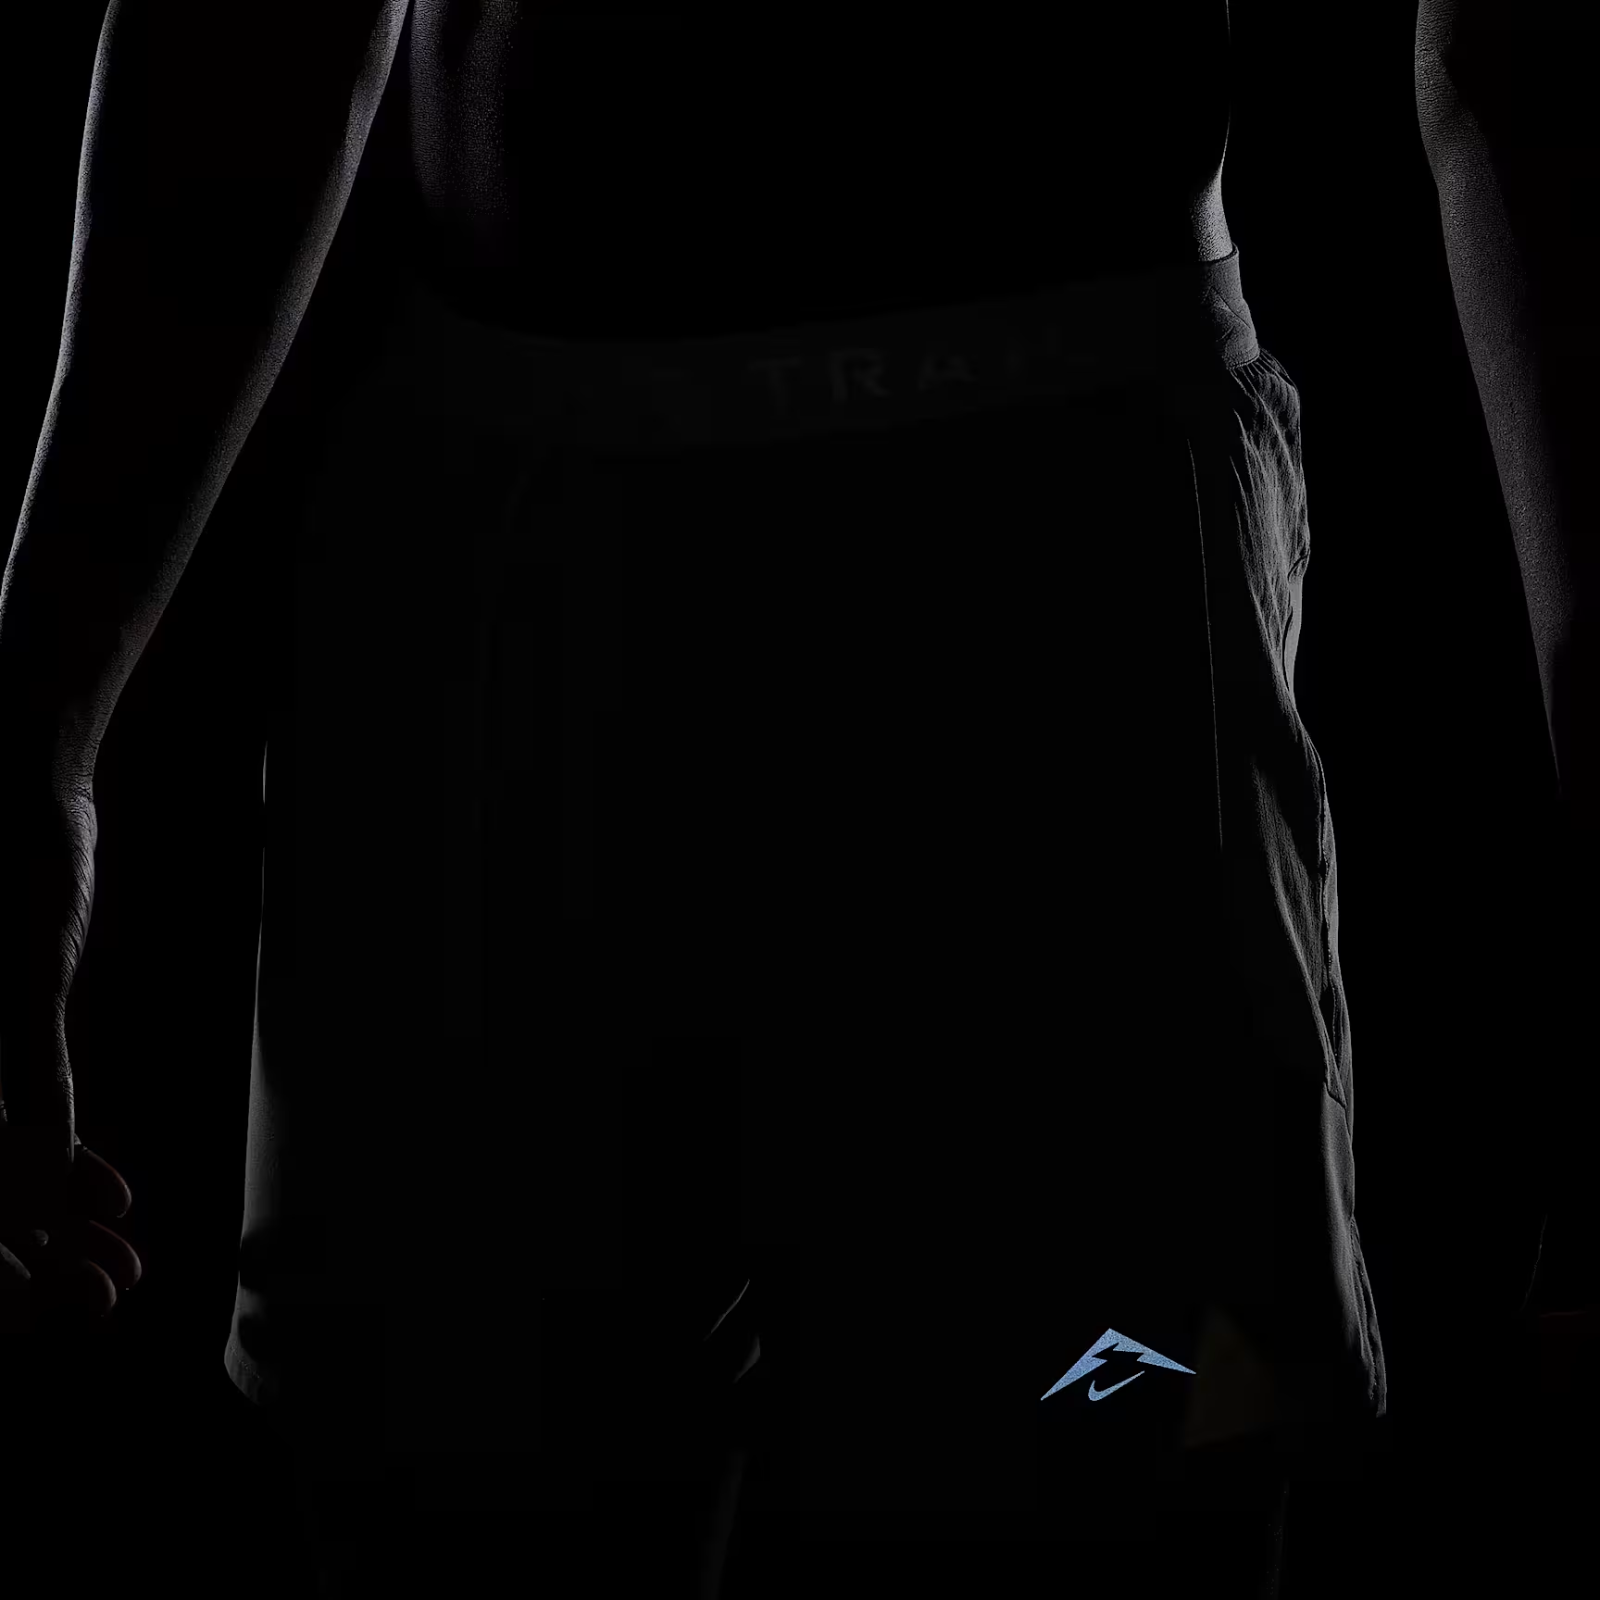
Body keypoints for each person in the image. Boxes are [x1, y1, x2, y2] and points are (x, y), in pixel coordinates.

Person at [0, 2, 1589, 1595]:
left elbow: (1513, 56)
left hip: (1069, 571)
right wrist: (38, 726)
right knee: (458, 1510)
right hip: (521, 533)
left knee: (1126, 1465)